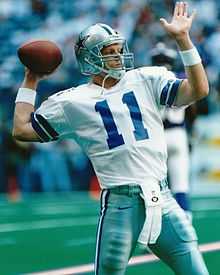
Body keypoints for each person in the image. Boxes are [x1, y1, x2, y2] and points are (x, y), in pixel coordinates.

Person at [13, 2, 209, 275]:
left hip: (162, 199)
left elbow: (198, 90)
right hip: (120, 204)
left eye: (119, 49)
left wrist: (183, 40)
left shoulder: (146, 78)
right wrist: (31, 80)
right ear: (90, 58)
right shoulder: (72, 101)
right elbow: (21, 129)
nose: (118, 56)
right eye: (109, 52)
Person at [150, 42, 192, 218]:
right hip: (178, 134)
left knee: (154, 187)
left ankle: (153, 232)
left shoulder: (148, 80)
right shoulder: (180, 77)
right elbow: (193, 108)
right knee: (181, 185)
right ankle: (186, 224)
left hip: (157, 135)